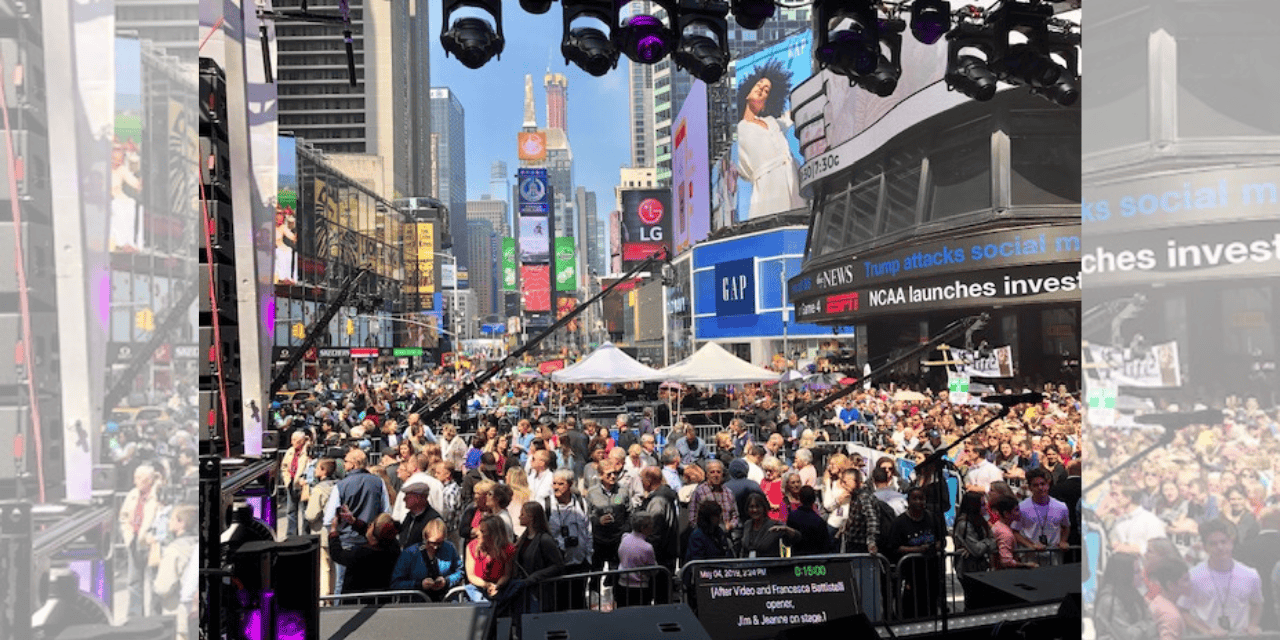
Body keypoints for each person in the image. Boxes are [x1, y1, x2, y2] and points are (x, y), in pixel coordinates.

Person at [1179, 519, 1264, 636]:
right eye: (1213, 544)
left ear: (1231, 543)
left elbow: (1257, 603)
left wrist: (1253, 625)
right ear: (1205, 548)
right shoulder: (1193, 576)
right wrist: (1206, 632)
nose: (1220, 547)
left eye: (1223, 542)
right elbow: (1183, 610)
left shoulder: (1250, 575)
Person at [888, 487, 944, 618]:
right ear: (908, 501)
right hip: (910, 575)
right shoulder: (899, 522)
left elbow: (941, 539)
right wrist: (917, 550)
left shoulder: (932, 518)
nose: (919, 502)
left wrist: (936, 546)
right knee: (911, 610)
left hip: (931, 573)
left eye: (922, 498)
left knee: (931, 610)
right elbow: (894, 547)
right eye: (915, 498)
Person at [544, 469, 593, 610]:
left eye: (561, 484)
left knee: (578, 603)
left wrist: (588, 557)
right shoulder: (546, 505)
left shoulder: (582, 503)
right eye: (554, 483)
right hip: (558, 564)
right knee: (559, 604)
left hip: (579, 563)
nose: (556, 487)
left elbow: (588, 531)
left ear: (570, 485)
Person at [389, 519, 465, 602]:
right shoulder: (410, 553)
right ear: (425, 537)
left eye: (439, 543)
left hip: (445, 601)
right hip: (417, 604)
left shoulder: (449, 548)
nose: (435, 547)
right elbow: (396, 583)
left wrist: (446, 581)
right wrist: (419, 584)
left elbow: (460, 571)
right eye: (432, 543)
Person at [327, 511, 400, 595]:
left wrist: (333, 531)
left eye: (371, 524)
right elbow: (374, 531)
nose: (369, 526)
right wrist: (353, 521)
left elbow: (337, 555)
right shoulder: (393, 547)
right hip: (383, 599)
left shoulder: (362, 553)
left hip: (357, 602)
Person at [513, 501, 565, 612]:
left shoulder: (544, 539)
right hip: (525, 591)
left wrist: (535, 577)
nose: (519, 517)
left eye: (522, 514)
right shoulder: (523, 539)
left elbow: (558, 565)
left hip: (539, 592)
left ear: (531, 517)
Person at [1013, 467, 1071, 566]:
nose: (1040, 488)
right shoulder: (1022, 507)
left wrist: (1063, 541)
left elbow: (1066, 526)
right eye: (1036, 485)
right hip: (1031, 557)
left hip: (1054, 557)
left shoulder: (1061, 506)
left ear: (1048, 485)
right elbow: (1015, 531)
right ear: (1030, 488)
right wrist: (1030, 545)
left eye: (1043, 484)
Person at [1093, 552, 1157, 640]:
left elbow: (1154, 625)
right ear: (1124, 575)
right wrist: (1144, 626)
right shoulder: (1109, 601)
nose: (1142, 576)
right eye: (1136, 572)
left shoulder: (1135, 593)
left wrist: (1140, 627)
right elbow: (1128, 637)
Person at [464, 515, 516, 603]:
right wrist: (486, 585)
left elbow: (507, 575)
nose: (477, 534)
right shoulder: (471, 547)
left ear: (493, 534)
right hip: (478, 588)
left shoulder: (507, 549)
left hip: (500, 588)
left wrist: (497, 586)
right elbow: (471, 576)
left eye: (482, 531)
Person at [738, 492, 799, 558]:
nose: (755, 510)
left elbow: (797, 537)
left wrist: (786, 529)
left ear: (764, 508)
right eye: (751, 507)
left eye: (758, 507)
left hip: (769, 565)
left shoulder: (774, 525)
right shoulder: (747, 524)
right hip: (749, 566)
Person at [616, 514, 658, 607]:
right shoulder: (647, 548)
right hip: (639, 588)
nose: (652, 528)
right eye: (650, 525)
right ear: (643, 528)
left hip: (622, 585)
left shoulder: (625, 537)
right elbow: (653, 569)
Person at [1147, 557, 1190, 640]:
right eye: (1185, 580)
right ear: (1171, 586)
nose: (1190, 583)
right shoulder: (1171, 615)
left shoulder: (1159, 601)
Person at [990, 495, 1037, 570]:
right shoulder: (1005, 533)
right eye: (1016, 510)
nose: (1019, 512)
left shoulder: (999, 526)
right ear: (1006, 514)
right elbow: (1006, 561)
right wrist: (1026, 565)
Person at [280, 431, 312, 536]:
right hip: (291, 483)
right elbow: (284, 466)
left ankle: (305, 534)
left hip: (303, 484)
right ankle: (291, 534)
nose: (292, 442)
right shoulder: (290, 451)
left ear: (302, 441)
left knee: (305, 512)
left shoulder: (308, 451)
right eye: (292, 439)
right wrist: (287, 480)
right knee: (291, 511)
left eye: (295, 440)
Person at [785, 486, 831, 556]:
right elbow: (825, 546)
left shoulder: (792, 516)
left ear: (800, 498)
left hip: (797, 559)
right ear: (814, 499)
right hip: (815, 561)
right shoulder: (819, 521)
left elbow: (787, 540)